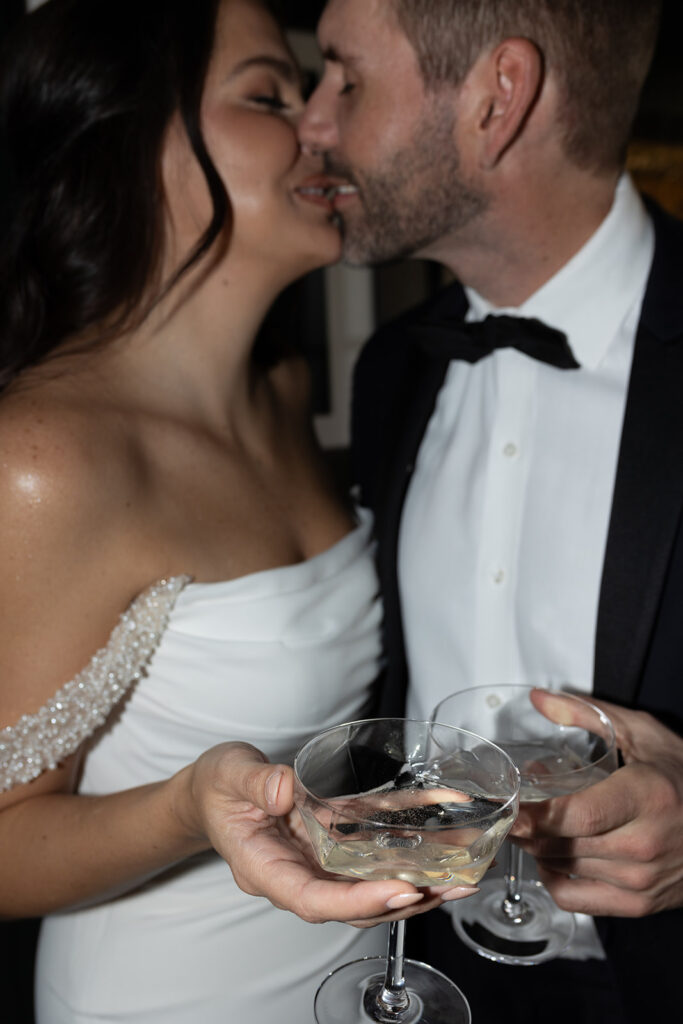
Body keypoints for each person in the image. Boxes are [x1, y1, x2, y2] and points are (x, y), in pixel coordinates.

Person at [0, 1, 477, 1021]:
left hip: (357, 973)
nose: (320, 125)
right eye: (268, 95)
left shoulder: (283, 389)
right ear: (130, 146)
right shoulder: (43, 458)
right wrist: (188, 806)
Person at [298, 0, 683, 1021]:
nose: (311, 123)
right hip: (428, 964)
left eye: (344, 78)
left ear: (495, 99)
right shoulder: (392, 369)